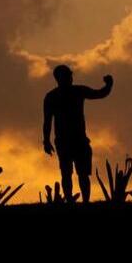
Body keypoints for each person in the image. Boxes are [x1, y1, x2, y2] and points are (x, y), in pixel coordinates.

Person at [42, 65, 114, 203]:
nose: (70, 78)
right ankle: (71, 200)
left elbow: (100, 94)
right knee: (67, 173)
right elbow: (47, 121)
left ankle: (84, 201)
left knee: (80, 173)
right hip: (66, 141)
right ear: (59, 78)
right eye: (67, 76)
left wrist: (109, 85)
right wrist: (46, 140)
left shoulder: (73, 92)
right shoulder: (54, 97)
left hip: (77, 140)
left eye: (70, 75)